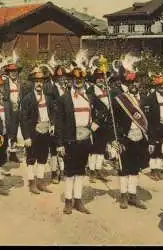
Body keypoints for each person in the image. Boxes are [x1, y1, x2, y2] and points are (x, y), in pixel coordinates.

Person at [54, 60, 98, 215]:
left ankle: (78, 200)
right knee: (69, 171)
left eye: (81, 80)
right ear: (71, 80)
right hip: (70, 140)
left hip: (85, 139)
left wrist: (93, 127)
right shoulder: (64, 98)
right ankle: (68, 201)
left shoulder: (90, 97)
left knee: (80, 171)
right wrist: (59, 143)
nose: (78, 82)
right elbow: (58, 123)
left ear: (84, 81)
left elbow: (102, 113)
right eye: (75, 80)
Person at [111, 68, 149, 210]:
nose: (134, 85)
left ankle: (133, 195)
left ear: (139, 84)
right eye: (131, 82)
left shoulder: (145, 99)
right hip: (124, 137)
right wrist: (114, 139)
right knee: (124, 167)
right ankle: (123, 195)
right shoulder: (120, 100)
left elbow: (148, 120)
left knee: (135, 168)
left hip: (140, 137)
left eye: (136, 82)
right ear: (127, 84)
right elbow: (112, 119)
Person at [21, 67, 54, 195]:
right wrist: (26, 137)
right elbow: (23, 119)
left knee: (43, 157)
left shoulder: (48, 98)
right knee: (31, 158)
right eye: (36, 81)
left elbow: (52, 112)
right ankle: (31, 183)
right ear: (33, 83)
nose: (39, 83)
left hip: (45, 130)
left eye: (41, 81)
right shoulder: (27, 99)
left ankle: (40, 182)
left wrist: (53, 124)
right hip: (33, 132)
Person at [86, 67, 113, 183]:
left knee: (102, 147)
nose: (100, 80)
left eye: (102, 77)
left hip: (106, 123)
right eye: (98, 78)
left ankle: (98, 169)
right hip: (96, 122)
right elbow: (89, 107)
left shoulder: (108, 90)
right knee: (94, 147)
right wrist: (93, 122)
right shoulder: (91, 90)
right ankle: (91, 170)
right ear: (94, 80)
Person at [144, 72, 163, 181]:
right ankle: (153, 170)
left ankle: (159, 169)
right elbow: (148, 115)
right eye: (160, 85)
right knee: (154, 148)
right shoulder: (150, 98)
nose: (162, 87)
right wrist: (150, 129)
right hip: (155, 126)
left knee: (161, 148)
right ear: (156, 86)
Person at [44, 64, 69, 184]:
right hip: (55, 121)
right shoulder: (51, 90)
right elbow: (49, 108)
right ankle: (54, 172)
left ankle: (63, 171)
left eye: (63, 76)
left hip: (66, 123)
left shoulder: (69, 89)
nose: (62, 78)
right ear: (56, 78)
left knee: (64, 147)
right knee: (53, 149)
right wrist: (52, 123)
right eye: (59, 77)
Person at [3, 61, 23, 164]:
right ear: (8, 73)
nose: (13, 73)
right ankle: (3, 154)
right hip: (8, 109)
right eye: (11, 71)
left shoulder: (20, 83)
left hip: (17, 108)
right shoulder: (5, 82)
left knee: (14, 131)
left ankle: (13, 155)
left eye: (15, 71)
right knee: (7, 129)